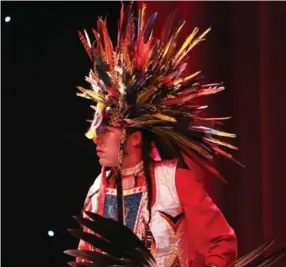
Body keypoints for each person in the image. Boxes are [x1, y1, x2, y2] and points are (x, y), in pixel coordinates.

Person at [74, 2, 240, 267]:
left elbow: (222, 242)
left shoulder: (173, 180)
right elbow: (84, 258)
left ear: (135, 136)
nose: (97, 137)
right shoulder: (98, 190)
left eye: (107, 130)